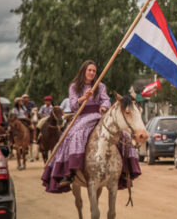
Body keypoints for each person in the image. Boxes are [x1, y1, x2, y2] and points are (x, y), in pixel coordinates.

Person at [41, 60, 141, 193]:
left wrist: (104, 106)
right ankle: (68, 172)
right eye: (90, 70)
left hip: (99, 116)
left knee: (124, 135)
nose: (92, 73)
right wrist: (84, 98)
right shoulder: (74, 86)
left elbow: (105, 99)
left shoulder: (100, 86)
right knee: (73, 135)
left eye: (94, 71)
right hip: (82, 116)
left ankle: (125, 171)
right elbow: (72, 105)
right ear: (84, 71)